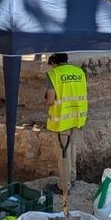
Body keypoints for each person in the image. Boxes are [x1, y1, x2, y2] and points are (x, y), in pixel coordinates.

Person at [44, 52, 88, 190]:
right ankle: (72, 177)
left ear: (53, 62)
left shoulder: (54, 74)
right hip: (77, 117)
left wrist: (45, 100)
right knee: (72, 148)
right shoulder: (78, 71)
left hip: (62, 120)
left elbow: (51, 99)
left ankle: (64, 185)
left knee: (64, 153)